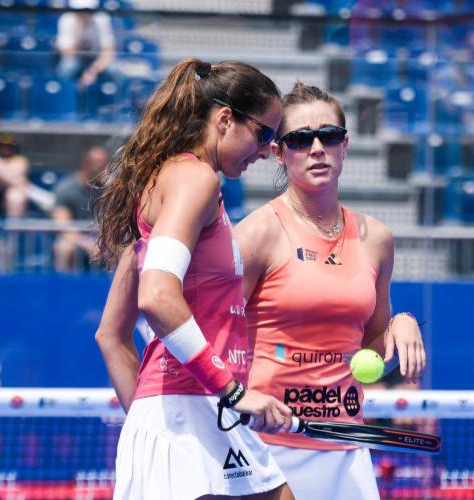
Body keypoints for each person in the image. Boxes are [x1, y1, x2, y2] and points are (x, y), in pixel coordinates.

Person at [94, 58, 293, 500]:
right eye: (264, 134)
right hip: (195, 409)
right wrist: (229, 391)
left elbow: (110, 335)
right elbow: (156, 295)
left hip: (194, 412)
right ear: (225, 119)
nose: (266, 152)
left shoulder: (165, 185)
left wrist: (150, 419)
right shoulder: (194, 179)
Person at [234, 82, 427, 500]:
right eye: (301, 139)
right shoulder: (256, 233)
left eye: (330, 136)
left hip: (344, 444)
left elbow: (372, 347)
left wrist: (402, 323)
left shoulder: (377, 239)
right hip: (267, 446)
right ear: (278, 152)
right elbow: (215, 332)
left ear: (345, 145)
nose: (317, 148)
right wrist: (238, 397)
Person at [52, 145, 107, 271]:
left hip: (101, 239)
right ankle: (63, 282)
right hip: (74, 239)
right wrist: (86, 243)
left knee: (124, 248)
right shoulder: (66, 188)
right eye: (97, 162)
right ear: (85, 163)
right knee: (63, 248)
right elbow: (62, 225)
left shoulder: (109, 190)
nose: (101, 167)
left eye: (103, 163)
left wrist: (102, 242)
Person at [56, 0, 116, 88]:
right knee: (67, 67)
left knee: (113, 69)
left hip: (96, 58)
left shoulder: (102, 19)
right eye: (80, 10)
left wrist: (92, 71)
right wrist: (79, 30)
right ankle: (67, 93)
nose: (84, 13)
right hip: (75, 58)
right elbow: (67, 52)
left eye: (88, 10)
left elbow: (108, 51)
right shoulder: (66, 20)